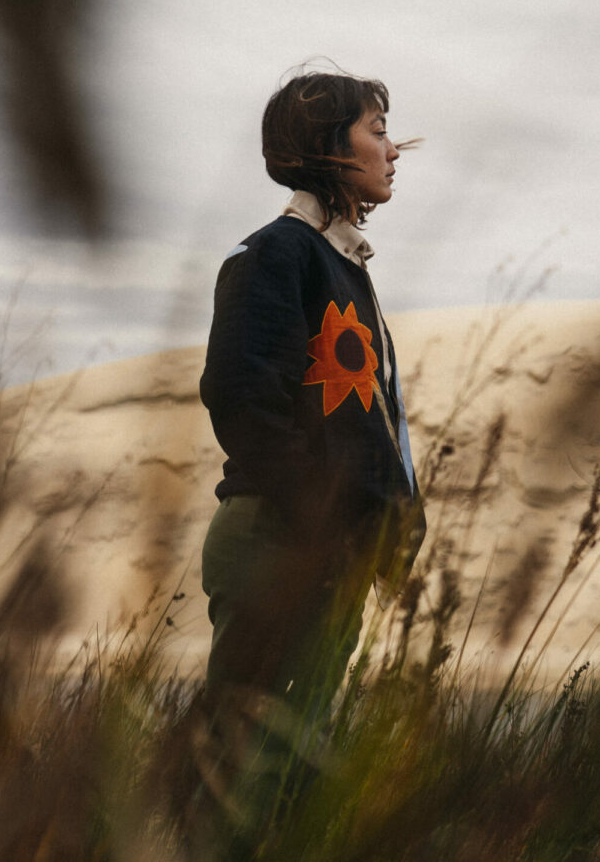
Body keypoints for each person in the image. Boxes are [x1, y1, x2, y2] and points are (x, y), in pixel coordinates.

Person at [189, 68, 425, 844]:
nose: (393, 149)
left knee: (289, 772)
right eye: (377, 130)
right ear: (328, 146)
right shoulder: (274, 255)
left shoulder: (346, 266)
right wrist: (318, 519)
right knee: (240, 774)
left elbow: (362, 425)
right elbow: (241, 397)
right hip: (278, 543)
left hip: (329, 553)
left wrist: (390, 525)